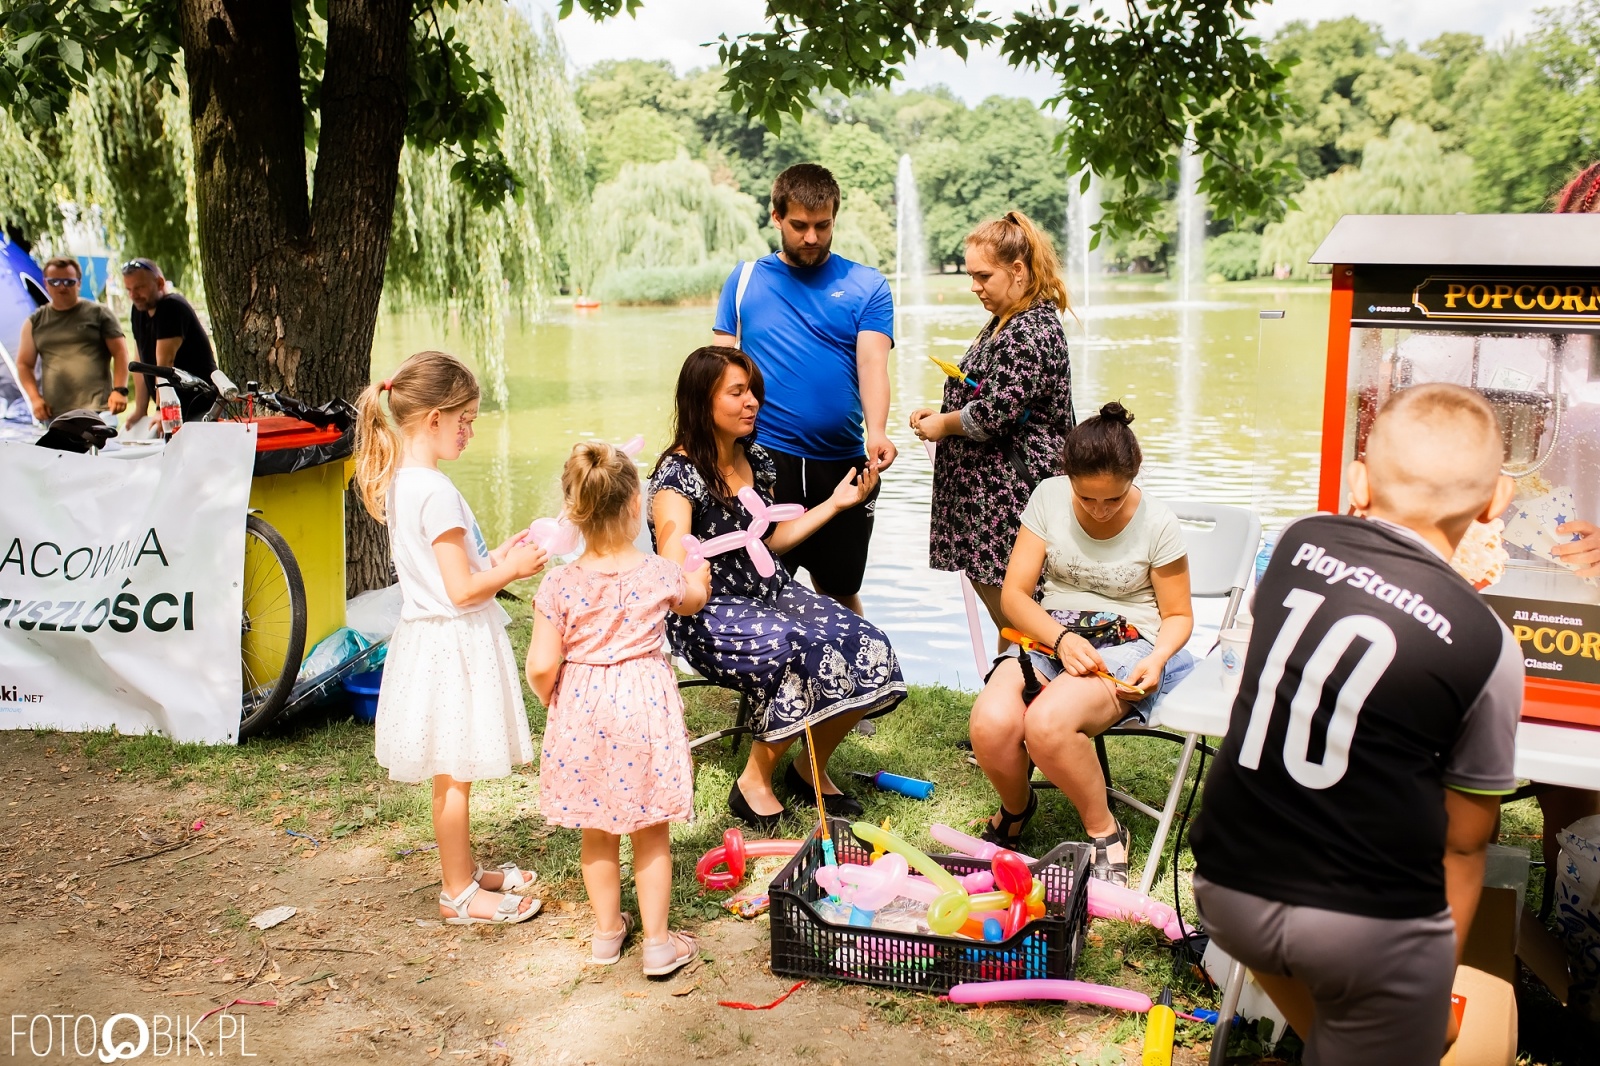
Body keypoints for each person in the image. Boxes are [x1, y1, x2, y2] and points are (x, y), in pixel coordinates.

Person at [1190, 384, 1522, 1063]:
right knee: (1467, 1019)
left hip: (1227, 889)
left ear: (1358, 482)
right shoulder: (1490, 646)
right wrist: (1428, 992)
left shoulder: (1298, 543)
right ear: (1494, 506)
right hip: (1363, 929)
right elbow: (1464, 844)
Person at [650, 345, 906, 829]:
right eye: (737, 393)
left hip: (770, 591)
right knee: (798, 649)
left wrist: (834, 503)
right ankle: (753, 783)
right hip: (707, 609)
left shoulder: (757, 459)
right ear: (701, 401)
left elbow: (771, 538)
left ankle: (808, 768)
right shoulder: (677, 476)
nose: (752, 403)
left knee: (866, 640)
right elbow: (671, 566)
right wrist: (687, 580)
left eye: (754, 393)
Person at [353, 350, 548, 925]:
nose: (469, 430)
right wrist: (511, 572)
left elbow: (457, 570)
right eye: (463, 418)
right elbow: (463, 590)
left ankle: (463, 869)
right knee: (454, 773)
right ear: (432, 418)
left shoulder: (408, 482)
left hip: (429, 638)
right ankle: (458, 893)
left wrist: (499, 556)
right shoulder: (435, 492)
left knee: (451, 770)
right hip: (450, 644)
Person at [968, 403, 1194, 883]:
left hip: (1130, 642)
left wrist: (1158, 659)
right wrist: (1061, 638)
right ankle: (1017, 808)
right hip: (1052, 632)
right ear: (1066, 476)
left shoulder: (1158, 523)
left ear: (1133, 477)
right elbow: (1014, 595)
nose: (1099, 510)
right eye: (1086, 498)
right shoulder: (1048, 497)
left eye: (1112, 499)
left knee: (1048, 722)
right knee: (990, 721)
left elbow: (1177, 616)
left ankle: (1105, 829)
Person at [526, 442, 712, 977]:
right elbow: (693, 597)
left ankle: (607, 933)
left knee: (597, 828)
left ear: (574, 511)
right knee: (650, 827)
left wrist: (553, 699)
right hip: (643, 704)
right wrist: (698, 578)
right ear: (636, 507)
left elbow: (541, 664)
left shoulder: (558, 583)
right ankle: (657, 943)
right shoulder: (658, 572)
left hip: (584, 705)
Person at [712, 163, 896, 614]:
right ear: (776, 217)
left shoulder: (867, 284)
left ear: (835, 217)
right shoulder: (744, 280)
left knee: (839, 584)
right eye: (799, 226)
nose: (811, 237)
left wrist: (877, 431)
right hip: (762, 458)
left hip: (843, 461)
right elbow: (716, 373)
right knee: (761, 579)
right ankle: (769, 679)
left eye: (822, 225)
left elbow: (872, 364)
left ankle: (860, 678)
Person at [910, 210, 1077, 641]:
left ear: (1017, 271)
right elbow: (990, 393)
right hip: (988, 503)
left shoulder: (1032, 328)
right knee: (1012, 611)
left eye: (983, 275)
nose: (973, 286)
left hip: (1014, 499)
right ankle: (1015, 687)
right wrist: (942, 414)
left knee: (1019, 612)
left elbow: (994, 412)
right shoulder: (1007, 319)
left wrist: (944, 426)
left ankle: (1029, 690)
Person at [15, 257, 129, 423]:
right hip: (55, 414)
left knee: (99, 450)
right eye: (54, 282)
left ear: (78, 283)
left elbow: (120, 352)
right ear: (46, 284)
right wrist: (35, 398)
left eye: (68, 282)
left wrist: (120, 390)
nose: (61, 287)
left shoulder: (99, 313)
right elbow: (23, 364)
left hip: (98, 410)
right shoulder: (34, 322)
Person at [120, 258, 217, 425]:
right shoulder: (139, 310)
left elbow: (164, 364)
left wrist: (160, 410)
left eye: (139, 288)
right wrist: (140, 410)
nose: (133, 295)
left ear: (159, 283)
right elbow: (139, 362)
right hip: (176, 409)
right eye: (129, 289)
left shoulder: (172, 307)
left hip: (198, 407)